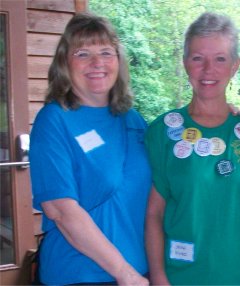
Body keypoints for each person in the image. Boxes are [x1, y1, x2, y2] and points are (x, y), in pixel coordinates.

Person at [145, 12, 240, 285]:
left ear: (235, 66)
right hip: (179, 276)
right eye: (197, 58)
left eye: (220, 58)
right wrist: (158, 277)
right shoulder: (163, 132)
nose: (208, 70)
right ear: (185, 63)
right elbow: (154, 214)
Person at [29, 12, 150, 285]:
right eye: (83, 53)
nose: (97, 63)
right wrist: (125, 273)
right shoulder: (54, 120)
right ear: (65, 63)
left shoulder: (133, 120)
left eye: (106, 52)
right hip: (81, 275)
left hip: (139, 270)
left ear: (118, 61)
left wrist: (220, 116)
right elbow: (60, 210)